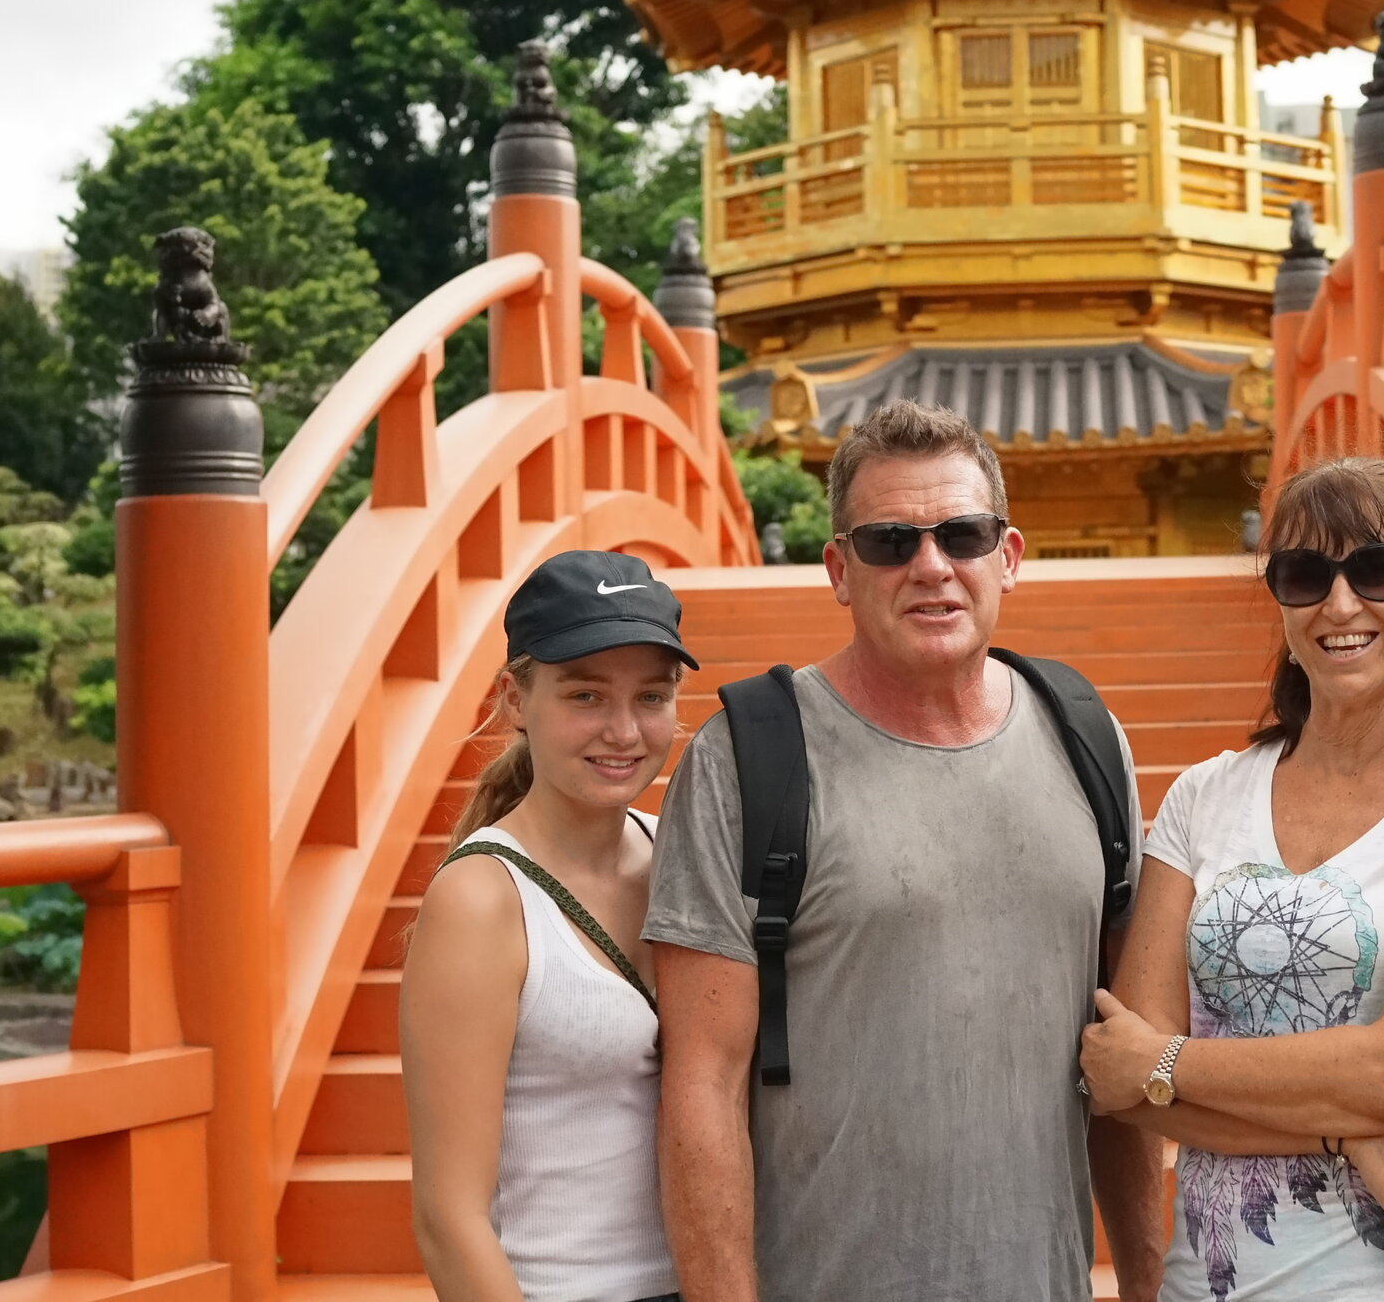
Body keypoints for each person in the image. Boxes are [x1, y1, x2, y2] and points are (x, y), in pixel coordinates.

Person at [645, 399, 1166, 1302]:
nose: (932, 567)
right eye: (891, 542)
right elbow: (703, 1084)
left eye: (961, 535)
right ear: (840, 571)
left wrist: (1152, 1281)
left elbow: (1123, 1056)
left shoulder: (1085, 736)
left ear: (1008, 556)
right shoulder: (750, 757)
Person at [1079, 456, 1384, 1300]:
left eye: (1376, 568)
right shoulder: (1203, 794)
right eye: (1305, 574)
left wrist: (1169, 1061)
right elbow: (1126, 1087)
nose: (1340, 605)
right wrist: (1357, 1138)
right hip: (1217, 1278)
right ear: (1280, 598)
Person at [401, 549, 697, 1302]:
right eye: (586, 695)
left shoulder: (679, 850)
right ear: (513, 698)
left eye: (652, 696)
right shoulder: (483, 898)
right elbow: (448, 1214)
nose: (625, 730)